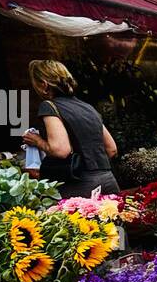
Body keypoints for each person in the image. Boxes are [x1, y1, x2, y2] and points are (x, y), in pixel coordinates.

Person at [23, 60, 119, 196]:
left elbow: (61, 150)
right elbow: (112, 149)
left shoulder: (49, 106)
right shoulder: (87, 107)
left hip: (80, 184)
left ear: (44, 85)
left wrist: (37, 141)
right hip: (108, 180)